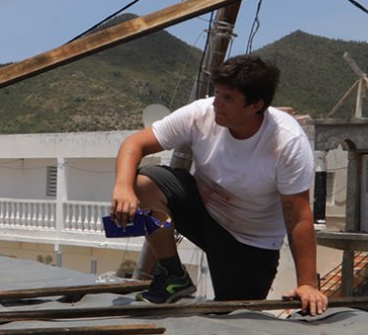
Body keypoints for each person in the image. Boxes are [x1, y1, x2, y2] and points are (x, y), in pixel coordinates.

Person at [110, 56, 327, 315]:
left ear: (255, 105)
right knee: (143, 183)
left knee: (234, 321)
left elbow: (299, 217)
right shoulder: (201, 114)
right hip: (204, 213)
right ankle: (172, 274)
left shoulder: (286, 142)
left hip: (251, 242)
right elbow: (135, 144)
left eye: (228, 98)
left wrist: (307, 284)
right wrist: (123, 187)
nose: (216, 103)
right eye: (217, 93)